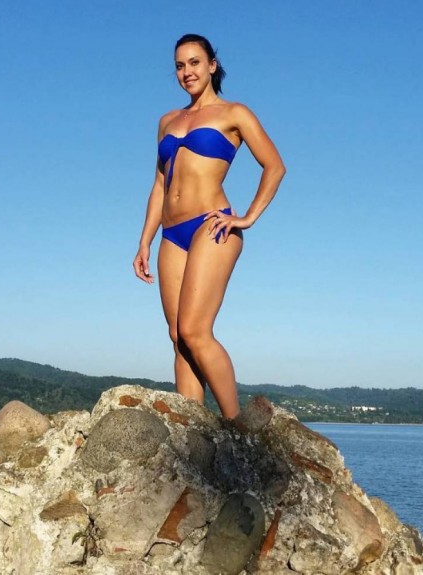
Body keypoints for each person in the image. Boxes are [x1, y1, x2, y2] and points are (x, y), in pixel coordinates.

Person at [133, 33, 285, 419]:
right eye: (180, 66)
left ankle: (237, 430)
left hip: (212, 225)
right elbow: (160, 185)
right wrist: (144, 241)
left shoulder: (234, 113)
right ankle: (193, 430)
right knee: (178, 337)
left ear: (212, 65)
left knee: (195, 331)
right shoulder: (167, 121)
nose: (187, 72)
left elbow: (275, 166)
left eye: (195, 62)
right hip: (171, 234)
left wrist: (247, 216)